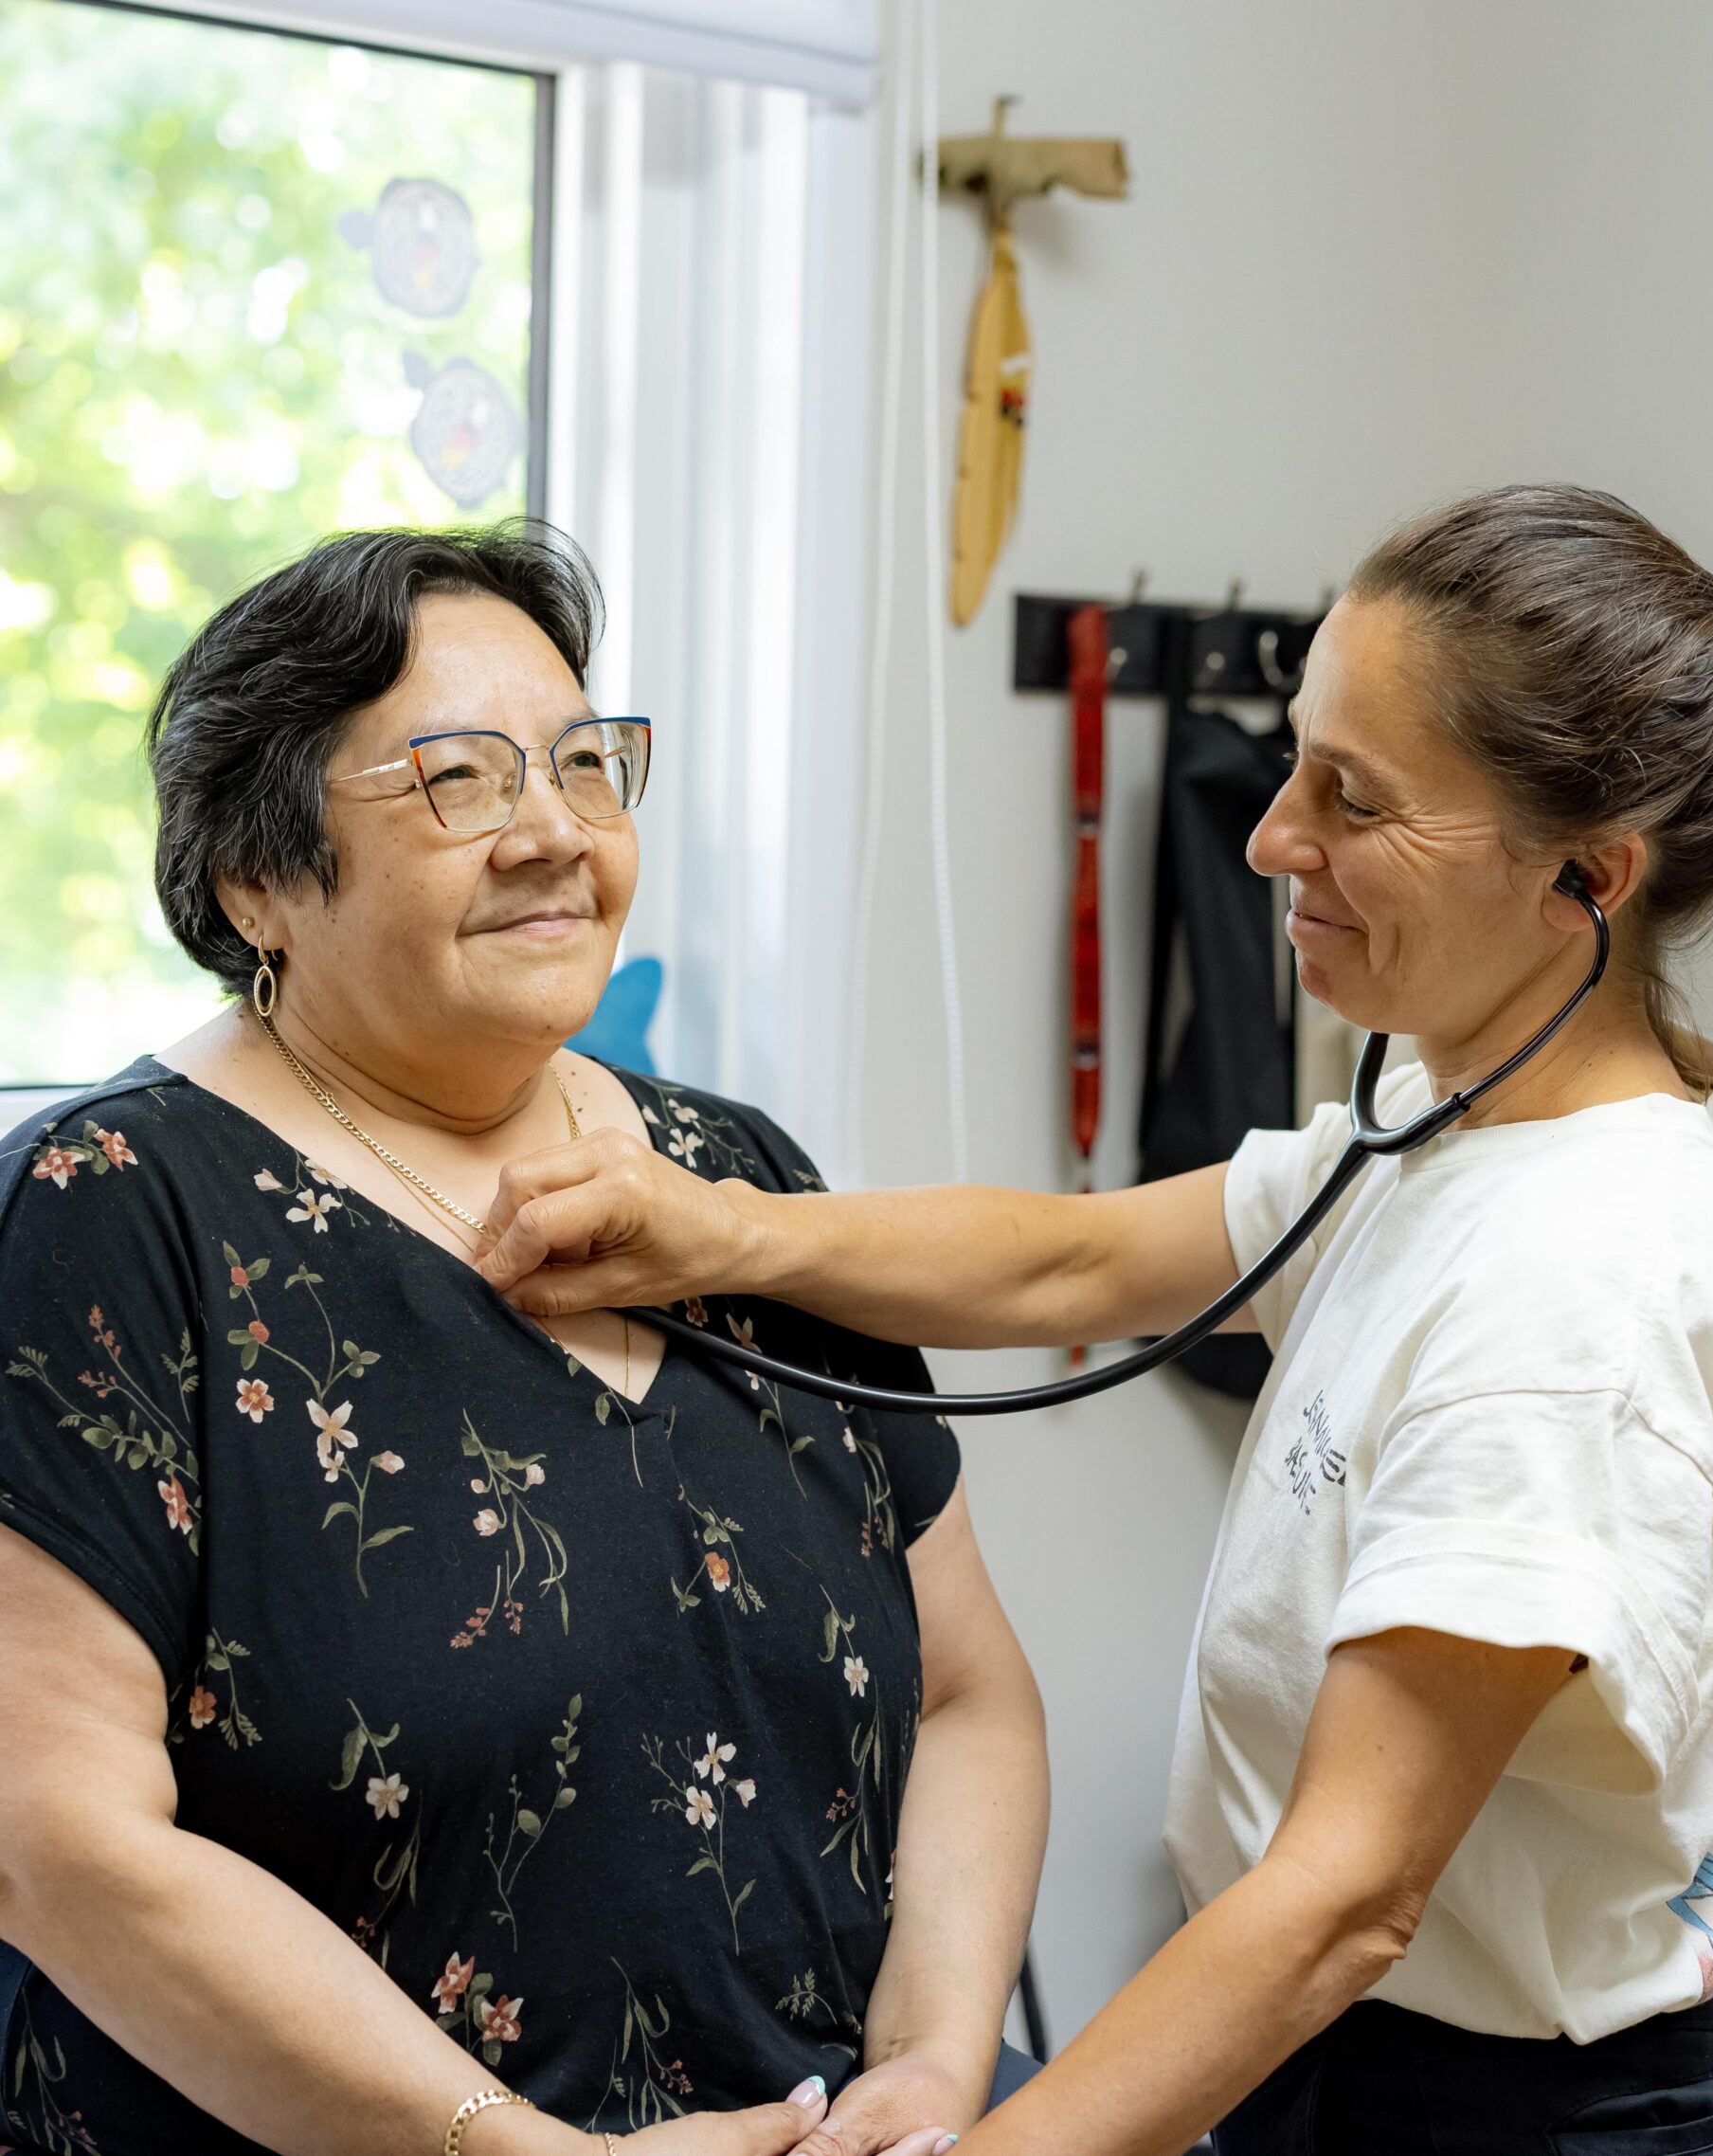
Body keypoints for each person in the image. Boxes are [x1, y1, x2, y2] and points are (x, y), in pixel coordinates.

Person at [478, 483, 1713, 2156]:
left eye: (1354, 799)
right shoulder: (1446, 1120)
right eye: (1295, 761)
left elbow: (1346, 1898)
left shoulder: (1582, 1288)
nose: (1273, 837)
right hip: (1339, 2076)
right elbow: (1075, 1266)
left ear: (1589, 878)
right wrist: (722, 1228)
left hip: (1509, 2115)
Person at [0, 527, 1048, 2156]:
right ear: (256, 877)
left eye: (582, 763)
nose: (555, 832)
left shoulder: (738, 1178)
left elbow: (971, 1693)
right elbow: (52, 1840)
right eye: (459, 781)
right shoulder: (110, 1213)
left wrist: (927, 2065)